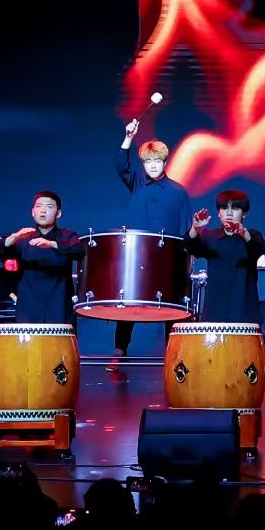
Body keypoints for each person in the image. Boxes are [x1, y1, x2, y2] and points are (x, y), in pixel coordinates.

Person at [113, 119, 194, 358]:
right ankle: (120, 350)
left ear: (165, 162)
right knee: (130, 299)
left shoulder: (178, 191)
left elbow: (186, 228)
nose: (153, 166)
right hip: (139, 253)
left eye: (157, 161)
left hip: (168, 254)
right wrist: (128, 137)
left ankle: (173, 353)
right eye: (148, 162)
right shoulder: (137, 183)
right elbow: (121, 165)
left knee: (171, 303)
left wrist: (186, 257)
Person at [0, 191, 86, 325]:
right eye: (39, 206)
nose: (43, 210)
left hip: (59, 302)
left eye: (49, 207)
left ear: (58, 213)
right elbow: (0, 250)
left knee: (61, 338)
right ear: (33, 212)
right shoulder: (23, 237)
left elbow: (79, 251)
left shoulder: (67, 235)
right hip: (28, 305)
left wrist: (52, 244)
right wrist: (15, 236)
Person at [186, 190, 265, 324]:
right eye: (224, 208)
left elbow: (258, 249)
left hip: (245, 314)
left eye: (235, 208)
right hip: (214, 314)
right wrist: (195, 229)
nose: (229, 213)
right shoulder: (210, 236)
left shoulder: (252, 236)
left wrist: (244, 233)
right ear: (218, 213)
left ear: (244, 213)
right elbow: (191, 247)